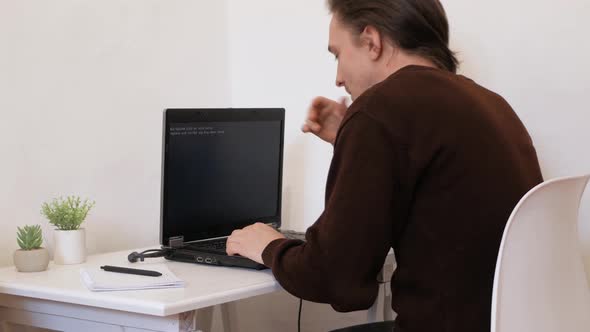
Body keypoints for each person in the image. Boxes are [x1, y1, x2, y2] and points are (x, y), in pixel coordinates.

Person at [226, 0, 543, 331]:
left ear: (371, 41)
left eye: (337, 54)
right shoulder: (491, 104)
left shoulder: (381, 109)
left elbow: (336, 279)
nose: (337, 77)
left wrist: (267, 246)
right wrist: (351, 138)